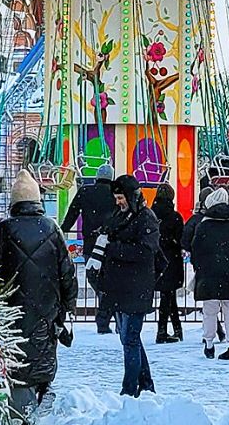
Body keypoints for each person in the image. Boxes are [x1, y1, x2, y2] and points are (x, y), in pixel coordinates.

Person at [0, 171, 77, 425]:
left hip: (12, 309)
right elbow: (67, 272)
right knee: (41, 354)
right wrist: (67, 303)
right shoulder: (51, 228)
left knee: (17, 359)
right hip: (46, 310)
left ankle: (20, 414)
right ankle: (40, 399)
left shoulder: (5, 229)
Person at [93, 174, 161, 396]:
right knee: (129, 337)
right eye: (116, 197)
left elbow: (145, 251)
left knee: (130, 338)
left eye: (121, 197)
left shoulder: (146, 218)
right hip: (121, 286)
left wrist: (113, 248)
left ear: (131, 196)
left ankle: (129, 390)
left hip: (136, 287)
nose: (118, 202)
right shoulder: (121, 215)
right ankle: (146, 384)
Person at [184, 188, 229, 359]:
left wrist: (200, 267)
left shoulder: (204, 224)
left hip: (209, 274)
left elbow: (195, 249)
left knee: (209, 311)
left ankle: (209, 343)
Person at [63, 165, 119, 332]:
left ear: (96, 176)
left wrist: (63, 228)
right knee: (110, 281)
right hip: (110, 244)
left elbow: (72, 213)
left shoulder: (85, 192)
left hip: (90, 243)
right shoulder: (115, 194)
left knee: (94, 277)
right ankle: (109, 315)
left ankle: (104, 313)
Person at [151, 189, 185, 344]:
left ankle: (176, 329)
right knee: (167, 296)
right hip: (172, 260)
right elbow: (181, 239)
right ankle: (162, 331)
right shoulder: (175, 217)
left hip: (155, 260)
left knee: (168, 295)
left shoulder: (150, 216)